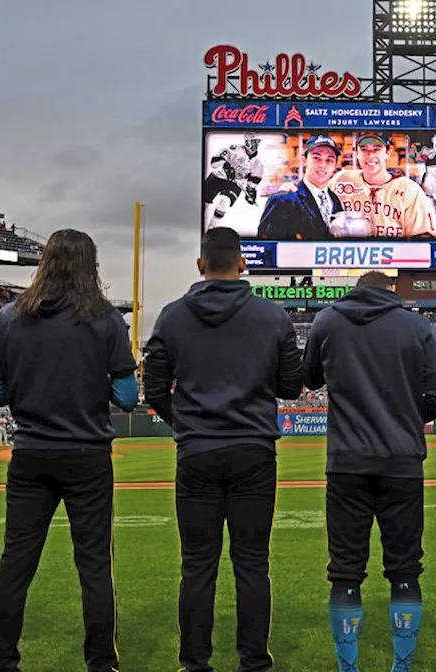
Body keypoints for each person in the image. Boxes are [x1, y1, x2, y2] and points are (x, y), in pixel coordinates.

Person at [143, 226, 305, 672]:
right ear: (242, 264)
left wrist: (187, 423)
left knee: (197, 565)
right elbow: (292, 386)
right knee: (253, 563)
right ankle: (253, 661)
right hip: (253, 449)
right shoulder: (272, 317)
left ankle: (195, 663)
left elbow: (154, 387)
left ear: (200, 265)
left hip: (196, 451)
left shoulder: (172, 315)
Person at [0, 229, 138, 672]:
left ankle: (2, 663)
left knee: (16, 563)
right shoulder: (106, 319)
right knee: (94, 566)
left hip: (31, 453)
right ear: (92, 266)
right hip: (87, 455)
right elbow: (127, 397)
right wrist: (88, 380)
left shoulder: (10, 317)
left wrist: (30, 381)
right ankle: (101, 663)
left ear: (43, 262)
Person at [302, 271, 436, 672]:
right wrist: (404, 415)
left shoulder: (328, 319)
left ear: (357, 289)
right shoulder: (418, 325)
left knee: (345, 573)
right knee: (405, 570)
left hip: (347, 463)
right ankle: (400, 667)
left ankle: (348, 668)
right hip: (402, 464)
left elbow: (309, 377)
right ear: (391, 290)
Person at [330, 133, 436, 239]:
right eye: (364, 149)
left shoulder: (408, 189)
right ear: (356, 153)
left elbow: (424, 236)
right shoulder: (341, 180)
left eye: (377, 149)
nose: (370, 155)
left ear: (387, 152)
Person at [257, 135, 344, 240]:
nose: (323, 165)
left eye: (329, 160)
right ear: (304, 160)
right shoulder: (282, 200)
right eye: (317, 158)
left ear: (335, 165)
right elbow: (266, 248)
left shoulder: (335, 200)